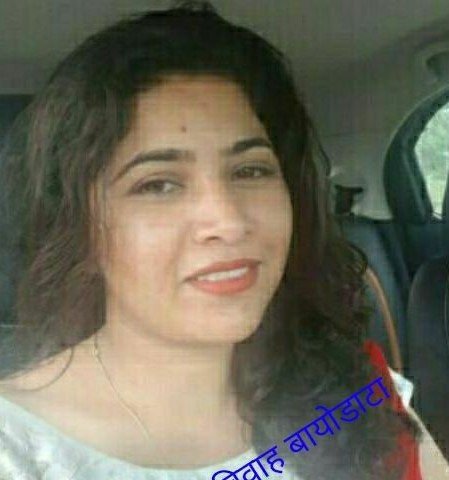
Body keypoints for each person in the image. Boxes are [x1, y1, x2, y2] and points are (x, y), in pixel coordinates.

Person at [0, 1, 447, 479]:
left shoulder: (353, 389)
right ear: (79, 227)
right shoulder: (19, 450)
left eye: (250, 170)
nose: (229, 221)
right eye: (158, 184)